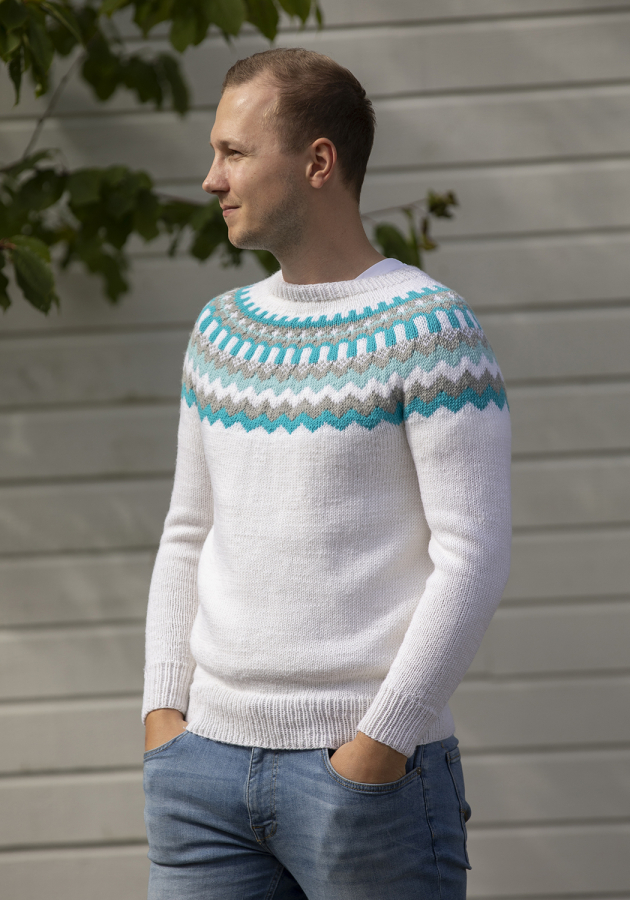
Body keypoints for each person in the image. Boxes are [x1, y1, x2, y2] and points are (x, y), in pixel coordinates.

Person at [142, 47, 511, 900]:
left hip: (364, 779)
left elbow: (474, 553)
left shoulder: (431, 328)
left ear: (318, 162)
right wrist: (164, 717)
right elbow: (187, 534)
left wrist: (381, 743)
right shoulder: (220, 329)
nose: (211, 178)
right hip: (201, 775)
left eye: (234, 152)